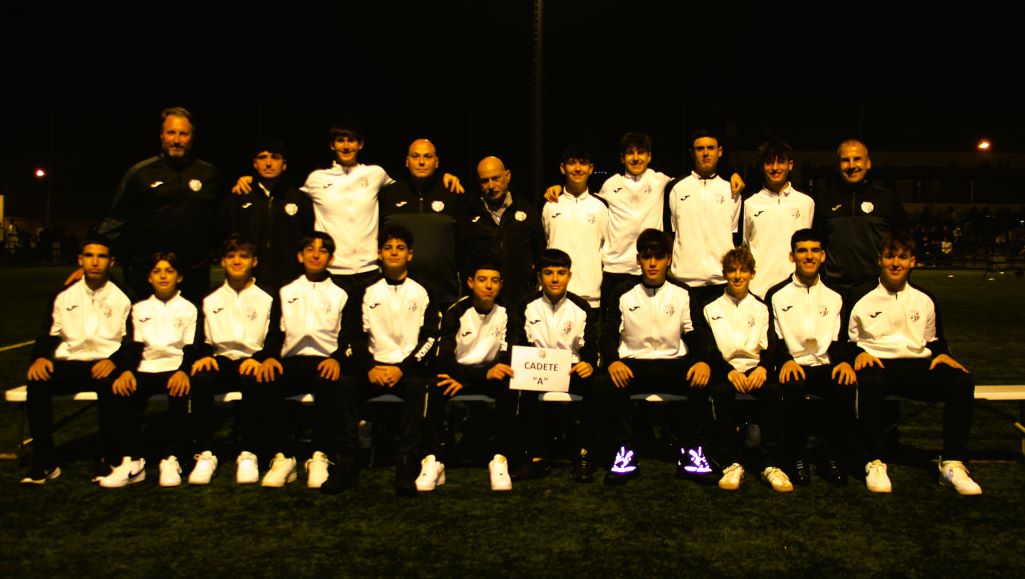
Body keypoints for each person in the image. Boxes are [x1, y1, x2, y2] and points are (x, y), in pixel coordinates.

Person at [236, 124, 463, 302]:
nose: (346, 146)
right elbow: (283, 194)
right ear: (332, 145)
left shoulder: (376, 174)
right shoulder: (316, 179)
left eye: (351, 140)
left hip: (370, 271)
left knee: (368, 333)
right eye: (340, 140)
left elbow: (411, 185)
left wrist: (443, 178)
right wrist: (251, 181)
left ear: (360, 144)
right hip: (332, 271)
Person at [544, 132, 744, 314]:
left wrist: (731, 173)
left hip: (649, 268)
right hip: (616, 270)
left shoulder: (663, 182)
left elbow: (701, 180)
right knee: (614, 326)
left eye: (641, 153)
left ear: (649, 157)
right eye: (630, 153)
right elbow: (583, 198)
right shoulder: (609, 185)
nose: (636, 158)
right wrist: (559, 189)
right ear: (622, 158)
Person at [848, 231, 981, 495]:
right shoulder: (859, 296)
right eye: (890, 257)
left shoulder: (924, 298)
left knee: (961, 382)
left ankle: (952, 462)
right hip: (878, 364)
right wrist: (857, 354)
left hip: (918, 366)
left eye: (902, 257)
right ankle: (874, 460)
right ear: (879, 260)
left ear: (913, 262)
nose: (895, 263)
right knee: (869, 384)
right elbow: (846, 339)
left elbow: (934, 338)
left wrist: (942, 353)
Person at [322, 225, 441, 495]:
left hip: (407, 369)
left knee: (418, 387)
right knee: (344, 384)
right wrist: (370, 367)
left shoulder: (424, 290)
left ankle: (406, 462)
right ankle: (347, 460)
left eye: (400, 248)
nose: (394, 253)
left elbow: (430, 337)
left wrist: (403, 369)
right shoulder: (363, 290)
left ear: (410, 254)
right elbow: (351, 335)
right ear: (379, 254)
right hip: (372, 368)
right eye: (388, 248)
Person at [594, 229, 713, 486]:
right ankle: (625, 453)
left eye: (658, 257)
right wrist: (613, 361)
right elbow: (608, 333)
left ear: (668, 259)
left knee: (703, 377)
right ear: (638, 259)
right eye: (646, 257)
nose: (652, 263)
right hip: (634, 365)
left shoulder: (682, 292)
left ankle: (692, 452)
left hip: (673, 364)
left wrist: (703, 360)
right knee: (606, 381)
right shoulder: (623, 292)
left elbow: (696, 332)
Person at [21, 236, 132, 484]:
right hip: (69, 362)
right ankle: (44, 458)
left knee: (110, 384)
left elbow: (132, 339)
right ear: (80, 260)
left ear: (111, 262)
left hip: (104, 363)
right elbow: (48, 332)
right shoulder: (63, 295)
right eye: (89, 256)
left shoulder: (124, 297)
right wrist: (40, 358)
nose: (95, 262)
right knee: (37, 381)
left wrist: (116, 361)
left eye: (101, 256)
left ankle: (107, 456)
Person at [255, 232, 354, 489]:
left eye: (323, 251)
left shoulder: (342, 291)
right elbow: (275, 331)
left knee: (331, 382)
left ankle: (319, 455)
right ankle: (283, 456)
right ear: (300, 256)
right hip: (291, 360)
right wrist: (269, 358)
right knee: (266, 378)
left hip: (325, 361)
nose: (316, 255)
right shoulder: (286, 289)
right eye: (310, 249)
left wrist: (337, 359)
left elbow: (349, 334)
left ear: (331, 258)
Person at [99, 107, 224, 302]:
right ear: (161, 136)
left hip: (194, 276)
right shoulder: (140, 174)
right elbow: (115, 220)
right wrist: (94, 255)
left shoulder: (210, 175)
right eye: (171, 132)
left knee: (192, 322)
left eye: (183, 134)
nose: (177, 139)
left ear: (192, 137)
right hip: (146, 275)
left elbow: (223, 220)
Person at [97, 252, 198, 488]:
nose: (163, 276)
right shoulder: (139, 309)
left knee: (179, 391)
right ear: (149, 278)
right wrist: (127, 371)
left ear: (179, 277)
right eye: (157, 271)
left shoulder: (189, 308)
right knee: (122, 390)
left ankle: (173, 458)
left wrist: (184, 371)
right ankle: (131, 461)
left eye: (169, 271)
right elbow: (134, 345)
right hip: (145, 368)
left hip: (174, 367)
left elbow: (191, 346)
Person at [764, 229, 855, 486]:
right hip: (792, 364)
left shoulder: (836, 295)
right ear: (792, 256)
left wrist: (843, 362)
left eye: (815, 250)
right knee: (792, 387)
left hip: (824, 364)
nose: (809, 256)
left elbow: (840, 338)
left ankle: (831, 455)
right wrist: (785, 360)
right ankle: (797, 455)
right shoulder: (776, 294)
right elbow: (772, 337)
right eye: (802, 251)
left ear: (823, 255)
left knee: (845, 384)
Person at [187, 235, 280, 485]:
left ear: (254, 261)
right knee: (200, 378)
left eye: (243, 256)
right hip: (221, 359)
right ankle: (206, 452)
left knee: (253, 378)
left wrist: (261, 358)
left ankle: (248, 451)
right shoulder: (210, 298)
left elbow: (275, 335)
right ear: (222, 262)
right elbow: (201, 337)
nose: (237, 261)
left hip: (252, 359)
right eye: (231, 256)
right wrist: (204, 355)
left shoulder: (268, 296)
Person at [704, 246, 793, 493]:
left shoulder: (761, 307)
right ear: (724, 273)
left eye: (743, 270)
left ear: (752, 274)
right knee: (720, 393)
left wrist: (763, 369)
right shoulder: (710, 307)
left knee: (773, 392)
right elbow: (709, 348)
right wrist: (727, 371)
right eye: (732, 270)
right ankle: (732, 462)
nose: (737, 276)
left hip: (755, 370)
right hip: (725, 371)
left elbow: (770, 345)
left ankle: (770, 463)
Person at [506, 248, 599, 482]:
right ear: (539, 276)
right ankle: (536, 458)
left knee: (597, 384)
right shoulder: (525, 304)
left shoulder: (581, 307)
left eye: (561, 273)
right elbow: (516, 341)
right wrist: (525, 365)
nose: (555, 279)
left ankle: (584, 455)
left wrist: (589, 363)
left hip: (570, 370)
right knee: (521, 384)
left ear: (569, 275)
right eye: (548, 273)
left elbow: (590, 346)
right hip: (536, 370)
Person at [428, 262, 518, 491]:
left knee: (510, 385)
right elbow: (444, 360)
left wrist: (478, 377)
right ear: (470, 283)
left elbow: (508, 355)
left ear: (501, 285)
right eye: (482, 279)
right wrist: (473, 376)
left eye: (494, 281)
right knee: (436, 385)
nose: (489, 286)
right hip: (459, 376)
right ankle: (434, 460)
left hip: (487, 378)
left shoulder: (508, 312)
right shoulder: (455, 312)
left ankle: (500, 458)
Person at [379, 139, 465, 310]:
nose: (421, 162)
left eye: (427, 156)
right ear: (407, 161)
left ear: (436, 162)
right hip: (396, 294)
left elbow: (465, 243)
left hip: (444, 294)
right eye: (415, 156)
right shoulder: (388, 195)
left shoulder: (452, 193)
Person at [814, 139, 908, 293]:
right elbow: (817, 245)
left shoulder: (887, 199)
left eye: (857, 159)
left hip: (877, 289)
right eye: (845, 160)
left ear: (868, 163)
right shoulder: (824, 200)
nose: (852, 165)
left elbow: (903, 245)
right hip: (833, 289)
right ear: (838, 166)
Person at [224, 138, 314, 294]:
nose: (268, 163)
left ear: (284, 165)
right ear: (255, 164)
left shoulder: (300, 200)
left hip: (290, 283)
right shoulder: (238, 198)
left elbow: (307, 240)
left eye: (275, 157)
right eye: (262, 157)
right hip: (248, 281)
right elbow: (225, 237)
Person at [665, 130, 742, 307]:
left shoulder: (732, 190)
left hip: (722, 281)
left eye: (710, 148)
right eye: (700, 149)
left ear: (720, 151)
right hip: (684, 282)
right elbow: (671, 232)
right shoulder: (676, 188)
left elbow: (735, 236)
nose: (705, 153)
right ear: (692, 153)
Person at [461, 156, 545, 307]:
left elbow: (540, 254)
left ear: (507, 176)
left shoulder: (528, 211)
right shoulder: (467, 213)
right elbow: (459, 257)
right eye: (484, 181)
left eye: (495, 178)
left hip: (521, 301)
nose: (491, 185)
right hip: (481, 303)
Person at [743, 139, 815, 298]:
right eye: (769, 163)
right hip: (759, 291)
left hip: (798, 290)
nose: (775, 168)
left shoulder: (806, 203)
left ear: (790, 165)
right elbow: (745, 248)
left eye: (781, 162)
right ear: (762, 166)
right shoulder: (750, 204)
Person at [541, 146, 608, 309]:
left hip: (590, 294)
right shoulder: (549, 205)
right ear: (562, 168)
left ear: (590, 169)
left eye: (583, 163)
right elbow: (543, 243)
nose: (577, 168)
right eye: (572, 163)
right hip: (554, 293)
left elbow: (607, 248)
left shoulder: (601, 206)